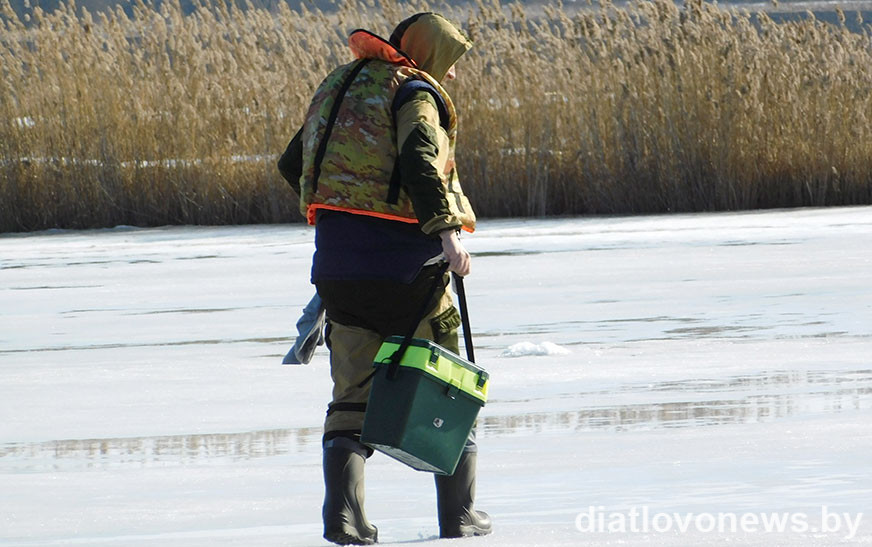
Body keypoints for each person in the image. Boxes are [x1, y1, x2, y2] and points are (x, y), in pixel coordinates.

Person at [277, 11, 491, 545]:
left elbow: (292, 163)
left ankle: (344, 520)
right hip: (407, 269)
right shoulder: (416, 91)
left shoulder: (340, 85)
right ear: (431, 53)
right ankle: (459, 516)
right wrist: (448, 235)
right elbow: (421, 159)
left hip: (338, 270)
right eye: (452, 62)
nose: (454, 75)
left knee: (351, 394)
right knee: (449, 380)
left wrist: (344, 214)